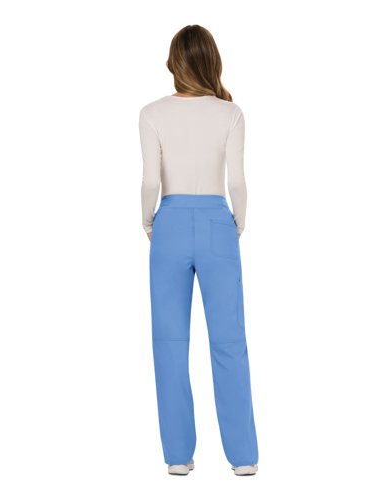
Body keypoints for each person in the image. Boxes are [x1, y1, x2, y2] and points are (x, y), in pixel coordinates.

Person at [139, 24, 259, 476]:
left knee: (169, 343)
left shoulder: (151, 113)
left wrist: (147, 220)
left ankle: (178, 456)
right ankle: (243, 458)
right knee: (229, 341)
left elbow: (150, 180)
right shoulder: (231, 113)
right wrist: (237, 223)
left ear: (173, 62)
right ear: (212, 60)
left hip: (168, 224)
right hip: (217, 223)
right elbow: (237, 182)